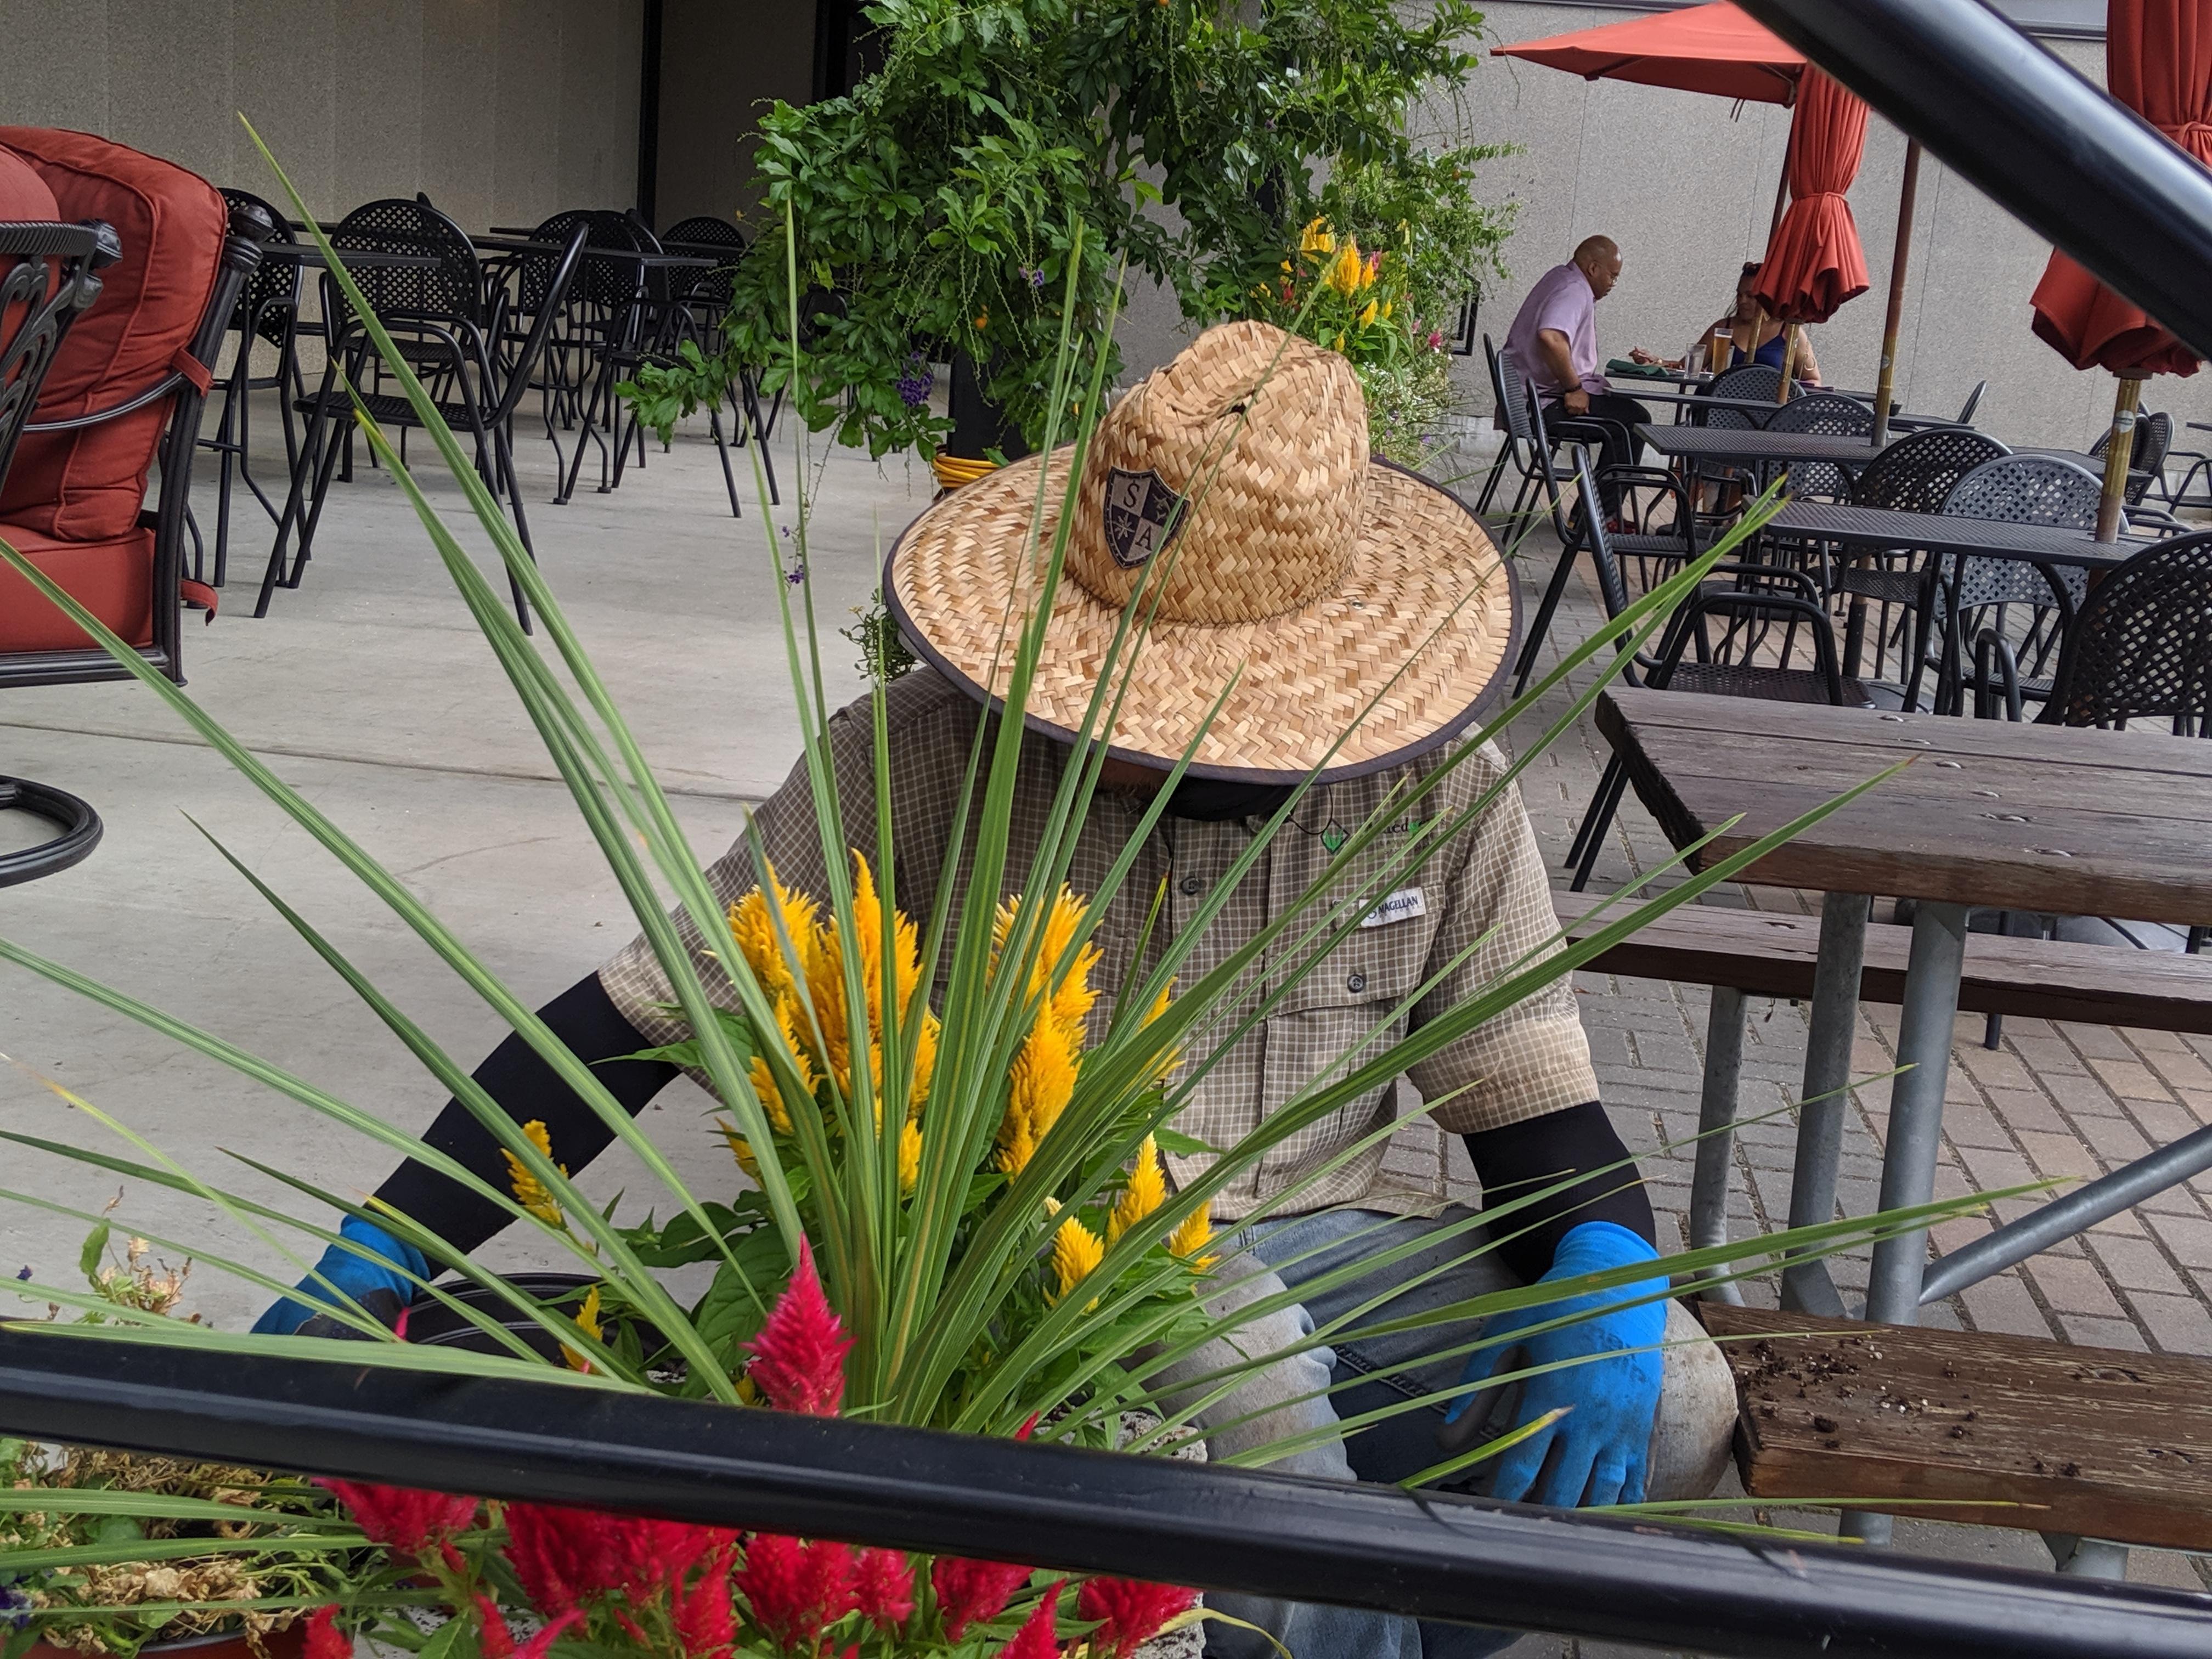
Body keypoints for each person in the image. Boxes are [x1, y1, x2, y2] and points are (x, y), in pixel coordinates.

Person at [258, 322, 1736, 1659]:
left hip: (1315, 1235)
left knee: (1669, 1395)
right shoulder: (916, 757)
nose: (1151, 752)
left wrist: (1607, 1266)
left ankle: (1344, 1625)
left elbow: (1541, 1132)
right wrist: (376, 1259)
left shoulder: (1438, 796)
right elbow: (634, 1026)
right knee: (1254, 1397)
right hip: (1021, 1251)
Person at [1502, 234, 1653, 514]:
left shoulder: (1559, 277)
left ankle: (1591, 513)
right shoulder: (1574, 288)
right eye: (1612, 276)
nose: (1613, 285)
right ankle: (1596, 518)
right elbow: (1551, 336)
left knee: (1628, 416)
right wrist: (1574, 388)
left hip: (1527, 400)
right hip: (1542, 405)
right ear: (1593, 268)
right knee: (1635, 421)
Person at [1637, 261, 1824, 384]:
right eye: (1739, 295)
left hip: (1766, 417)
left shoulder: (1790, 334)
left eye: (1750, 297)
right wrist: (1656, 361)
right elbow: (1687, 367)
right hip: (1716, 409)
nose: (1742, 301)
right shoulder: (1722, 328)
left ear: (1768, 297)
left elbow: (1813, 380)